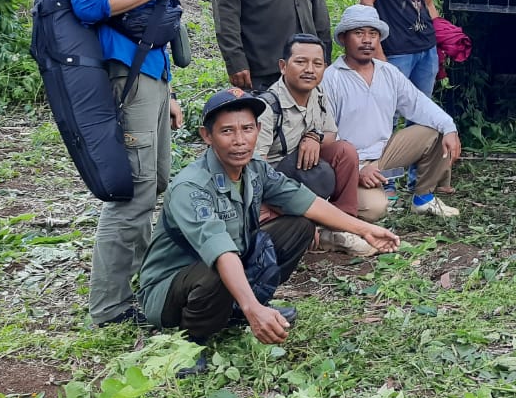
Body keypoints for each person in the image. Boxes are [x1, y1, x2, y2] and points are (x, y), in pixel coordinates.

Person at [138, 88, 400, 372]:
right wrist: (254, 309)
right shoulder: (192, 187)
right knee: (220, 270)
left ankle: (235, 312)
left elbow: (305, 202)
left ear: (258, 130)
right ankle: (193, 340)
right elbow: (220, 251)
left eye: (247, 129)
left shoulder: (255, 169)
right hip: (170, 291)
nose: (240, 140)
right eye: (227, 131)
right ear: (207, 136)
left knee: (299, 227)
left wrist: (364, 229)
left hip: (223, 265)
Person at [71, 0, 186, 327]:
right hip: (124, 78)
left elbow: (152, 30)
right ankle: (110, 310)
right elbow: (89, 3)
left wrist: (168, 92)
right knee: (132, 193)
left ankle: (140, 282)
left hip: (150, 79)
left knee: (155, 182)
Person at [321, 5, 463, 222]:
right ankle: (335, 200)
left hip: (385, 155)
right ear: (343, 38)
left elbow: (419, 104)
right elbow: (328, 136)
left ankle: (423, 199)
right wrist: (357, 169)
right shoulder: (331, 78)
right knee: (376, 209)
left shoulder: (388, 72)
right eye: (359, 33)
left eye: (373, 34)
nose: (367, 40)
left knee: (437, 127)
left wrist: (450, 128)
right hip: (350, 162)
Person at [254, 33, 370, 256]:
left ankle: (342, 223)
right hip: (273, 181)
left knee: (345, 151)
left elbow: (330, 135)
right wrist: (300, 210)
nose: (309, 69)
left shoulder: (318, 94)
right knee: (265, 229)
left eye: (317, 64)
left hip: (302, 171)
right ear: (283, 66)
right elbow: (256, 167)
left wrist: (314, 136)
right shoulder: (267, 107)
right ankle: (310, 229)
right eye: (300, 62)